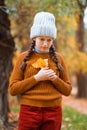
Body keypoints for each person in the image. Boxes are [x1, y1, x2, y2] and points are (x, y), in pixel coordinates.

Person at [8, 11, 72, 130]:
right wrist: (37, 78)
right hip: (28, 110)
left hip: (54, 111)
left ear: (53, 40)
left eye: (49, 40)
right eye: (41, 39)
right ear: (34, 38)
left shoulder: (59, 59)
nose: (45, 44)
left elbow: (67, 90)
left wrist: (54, 79)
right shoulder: (23, 58)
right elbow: (13, 89)